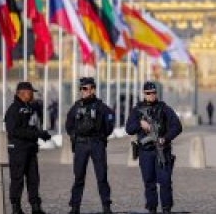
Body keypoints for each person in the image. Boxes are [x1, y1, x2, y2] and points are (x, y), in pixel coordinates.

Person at [125, 81, 182, 214]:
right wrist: (140, 124)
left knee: (165, 181)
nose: (151, 95)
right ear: (144, 94)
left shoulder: (164, 109)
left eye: (154, 92)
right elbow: (128, 129)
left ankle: (166, 208)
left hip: (162, 149)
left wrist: (165, 138)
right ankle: (152, 208)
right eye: (148, 93)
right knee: (149, 182)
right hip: (146, 151)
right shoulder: (137, 110)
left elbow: (177, 127)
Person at [65, 77, 115, 214]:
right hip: (81, 144)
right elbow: (68, 125)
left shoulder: (101, 107)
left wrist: (102, 135)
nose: (83, 91)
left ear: (93, 89)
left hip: (96, 143)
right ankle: (75, 207)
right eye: (81, 88)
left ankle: (106, 206)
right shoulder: (76, 107)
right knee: (78, 177)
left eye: (85, 88)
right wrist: (74, 135)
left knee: (102, 176)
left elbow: (110, 123)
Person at [5, 81, 52, 214]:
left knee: (33, 179)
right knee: (17, 179)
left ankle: (36, 207)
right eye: (31, 92)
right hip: (18, 150)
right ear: (22, 93)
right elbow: (14, 131)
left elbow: (34, 125)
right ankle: (16, 208)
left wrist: (41, 133)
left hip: (31, 148)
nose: (33, 95)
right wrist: (36, 133)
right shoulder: (13, 109)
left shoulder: (30, 108)